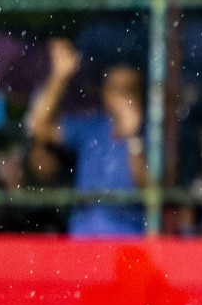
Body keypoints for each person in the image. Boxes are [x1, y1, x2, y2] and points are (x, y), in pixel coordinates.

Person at [26, 38, 148, 237]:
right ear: (105, 94)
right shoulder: (92, 127)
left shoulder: (154, 132)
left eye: (129, 90)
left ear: (140, 94)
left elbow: (153, 193)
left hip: (128, 244)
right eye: (116, 90)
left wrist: (134, 138)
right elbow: (39, 126)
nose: (123, 99)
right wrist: (60, 78)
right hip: (82, 241)